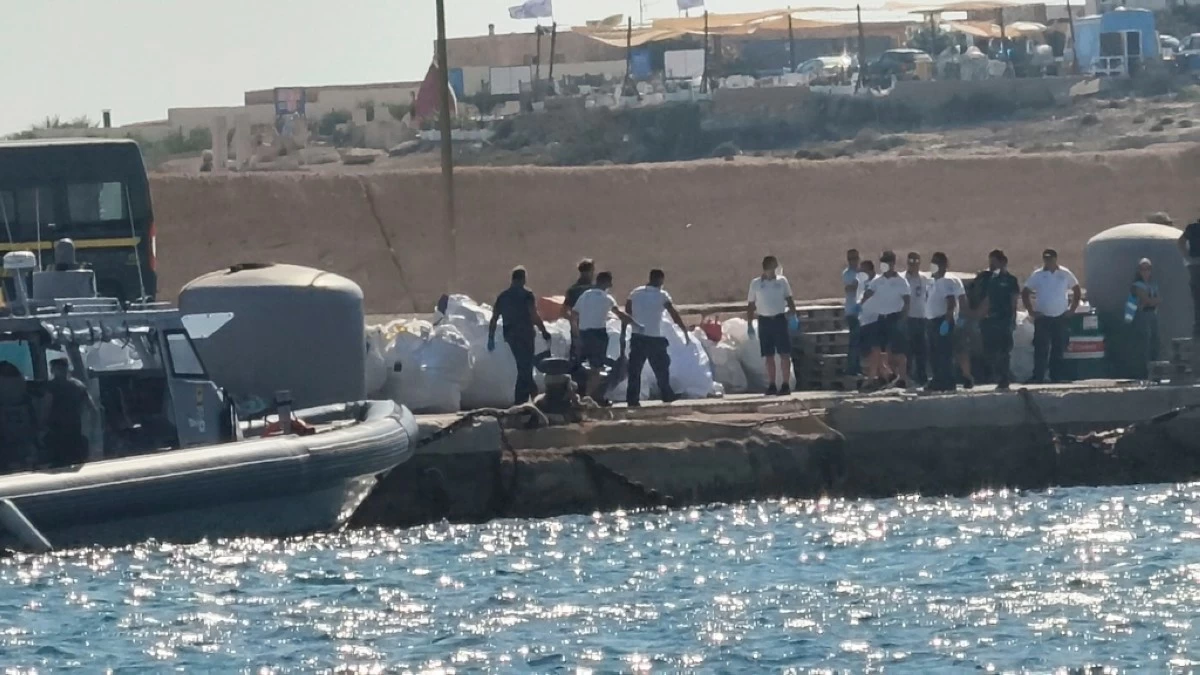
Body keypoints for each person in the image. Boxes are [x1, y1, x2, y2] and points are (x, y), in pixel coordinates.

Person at [572, 271, 641, 403]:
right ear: (605, 282)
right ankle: (589, 397)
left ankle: (587, 395)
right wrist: (636, 324)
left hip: (584, 333)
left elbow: (574, 315)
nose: (611, 285)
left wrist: (576, 334)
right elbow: (619, 314)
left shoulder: (585, 295)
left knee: (585, 367)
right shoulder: (607, 298)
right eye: (610, 282)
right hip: (598, 334)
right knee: (596, 368)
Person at [625, 269, 690, 407]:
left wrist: (636, 321)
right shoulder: (662, 295)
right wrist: (683, 329)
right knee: (661, 368)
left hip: (637, 337)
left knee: (635, 370)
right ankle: (666, 394)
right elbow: (673, 314)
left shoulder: (635, 292)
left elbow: (628, 310)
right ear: (660, 280)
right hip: (654, 337)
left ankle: (632, 399)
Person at [488, 266, 553, 405]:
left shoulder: (503, 296)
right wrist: (543, 330)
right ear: (523, 279)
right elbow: (533, 315)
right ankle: (530, 398)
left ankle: (525, 399)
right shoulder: (527, 294)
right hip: (525, 334)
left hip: (510, 336)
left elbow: (494, 318)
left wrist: (491, 337)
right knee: (525, 367)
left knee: (523, 366)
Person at [1022, 249, 1081, 384]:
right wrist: (1031, 311)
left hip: (1060, 316)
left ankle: (1056, 376)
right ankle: (1038, 376)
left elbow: (1076, 289)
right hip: (1043, 317)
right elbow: (1025, 292)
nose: (1047, 261)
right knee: (1040, 348)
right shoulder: (1038, 275)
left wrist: (1072, 309)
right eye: (1045, 259)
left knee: (1058, 347)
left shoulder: (1064, 273)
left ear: (1055, 258)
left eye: (1050, 258)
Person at [747, 255, 798, 396]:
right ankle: (772, 384)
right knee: (768, 355)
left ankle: (785, 384)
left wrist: (793, 315)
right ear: (767, 268)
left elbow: (789, 299)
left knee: (784, 353)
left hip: (779, 319)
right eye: (773, 267)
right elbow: (751, 305)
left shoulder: (782, 281)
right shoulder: (756, 284)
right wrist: (749, 324)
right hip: (765, 321)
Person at [861, 251, 911, 390]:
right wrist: (860, 306)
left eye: (887, 262)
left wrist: (903, 318)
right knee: (876, 348)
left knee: (897, 351)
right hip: (880, 318)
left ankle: (902, 378)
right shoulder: (878, 281)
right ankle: (879, 377)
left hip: (895, 317)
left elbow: (907, 301)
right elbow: (868, 294)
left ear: (893, 263)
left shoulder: (901, 281)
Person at [974, 249, 1020, 389]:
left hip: (1004, 319)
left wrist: (1013, 319)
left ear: (1003, 262)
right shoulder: (987, 279)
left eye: (994, 262)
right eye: (990, 262)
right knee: (989, 350)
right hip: (989, 320)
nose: (992, 265)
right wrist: (979, 315)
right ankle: (993, 375)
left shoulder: (1011, 280)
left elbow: (1014, 301)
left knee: (1004, 350)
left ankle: (1004, 378)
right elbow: (983, 298)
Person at [43, 358, 99, 468]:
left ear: (52, 370)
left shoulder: (51, 387)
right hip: (73, 427)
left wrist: (40, 426)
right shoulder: (78, 386)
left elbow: (45, 407)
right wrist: (94, 429)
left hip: (57, 429)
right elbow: (92, 409)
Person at [924, 252, 966, 392]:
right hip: (931, 321)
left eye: (937, 262)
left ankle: (947, 380)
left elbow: (951, 302)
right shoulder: (932, 282)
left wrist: (947, 321)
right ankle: (937, 379)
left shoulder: (946, 281)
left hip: (941, 320)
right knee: (934, 353)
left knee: (944, 353)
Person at [1130, 257, 1161, 379]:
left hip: (1153, 314)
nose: (1146, 272)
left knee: (1155, 343)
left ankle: (1155, 372)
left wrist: (1152, 301)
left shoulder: (1153, 285)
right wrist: (1152, 301)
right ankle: (1145, 372)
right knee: (1145, 345)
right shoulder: (1137, 285)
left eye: (1148, 269)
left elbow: (1159, 300)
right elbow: (1145, 300)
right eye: (1143, 269)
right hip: (1142, 315)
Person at [903, 251, 931, 385]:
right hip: (908, 317)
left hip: (921, 317)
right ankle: (907, 375)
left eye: (916, 261)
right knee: (907, 349)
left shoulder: (924, 278)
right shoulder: (903, 278)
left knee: (922, 349)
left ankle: (922, 376)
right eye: (911, 261)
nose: (913, 264)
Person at [1176, 215, 1200, 340]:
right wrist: (1188, 258)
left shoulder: (1192, 228)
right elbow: (1181, 242)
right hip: (1196, 265)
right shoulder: (1193, 228)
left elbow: (1180, 242)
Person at [843, 250, 863, 376]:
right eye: (851, 259)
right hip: (852, 311)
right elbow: (849, 288)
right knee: (854, 340)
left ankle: (857, 367)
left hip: (862, 311)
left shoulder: (862, 273)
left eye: (855, 258)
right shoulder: (847, 273)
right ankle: (852, 368)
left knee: (859, 341)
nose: (853, 261)